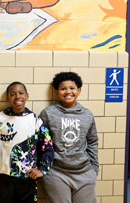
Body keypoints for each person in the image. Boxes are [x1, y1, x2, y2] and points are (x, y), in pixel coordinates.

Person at [40, 72, 99, 203]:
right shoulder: (48, 113)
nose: (68, 92)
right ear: (56, 91)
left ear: (79, 90)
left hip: (84, 172)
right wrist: (44, 169)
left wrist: (94, 168)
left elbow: (92, 141)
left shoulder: (87, 115)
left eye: (72, 88)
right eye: (63, 88)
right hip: (56, 172)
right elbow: (40, 142)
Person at [0, 81, 54, 203]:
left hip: (28, 178)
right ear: (8, 98)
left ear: (27, 96)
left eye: (21, 93)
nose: (17, 97)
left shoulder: (35, 120)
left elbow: (48, 146)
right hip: (5, 178)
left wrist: (42, 169)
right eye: (13, 94)